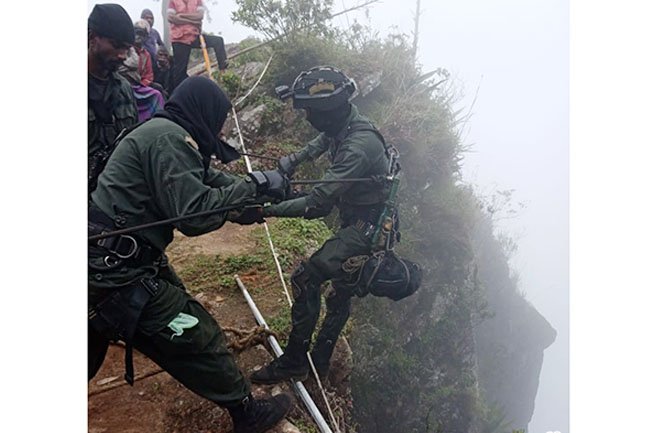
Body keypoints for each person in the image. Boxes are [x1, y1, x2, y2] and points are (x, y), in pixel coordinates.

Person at [88, 76, 292, 433]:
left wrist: (252, 195)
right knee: (198, 332)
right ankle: (246, 413)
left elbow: (208, 178)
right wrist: (254, 186)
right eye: (218, 119)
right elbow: (193, 214)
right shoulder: (169, 139)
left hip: (117, 260)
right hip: (115, 273)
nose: (219, 128)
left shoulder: (163, 132)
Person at [251, 66, 393, 384]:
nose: (307, 117)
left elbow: (318, 200)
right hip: (356, 216)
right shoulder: (343, 122)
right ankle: (321, 362)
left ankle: (296, 362)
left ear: (327, 111)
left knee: (308, 277)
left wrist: (267, 210)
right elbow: (321, 142)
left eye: (310, 111)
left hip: (366, 228)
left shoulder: (359, 145)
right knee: (340, 293)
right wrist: (294, 159)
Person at [88, 3, 138, 194]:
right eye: (116, 46)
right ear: (92, 37)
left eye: (127, 49)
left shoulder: (124, 89)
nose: (122, 56)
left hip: (113, 197)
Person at [167, 0, 228, 91]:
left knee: (218, 41)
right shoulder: (173, 1)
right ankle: (179, 96)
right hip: (179, 38)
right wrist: (192, 20)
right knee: (179, 72)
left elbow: (200, 16)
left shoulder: (197, 1)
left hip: (194, 35)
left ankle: (223, 72)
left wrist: (181, 16)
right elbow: (171, 18)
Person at [118, 20, 165, 120]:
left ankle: (158, 119)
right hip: (122, 84)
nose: (139, 37)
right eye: (137, 33)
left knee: (157, 94)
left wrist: (142, 84)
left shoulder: (146, 54)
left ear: (146, 37)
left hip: (139, 86)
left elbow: (149, 75)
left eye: (142, 35)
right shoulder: (126, 49)